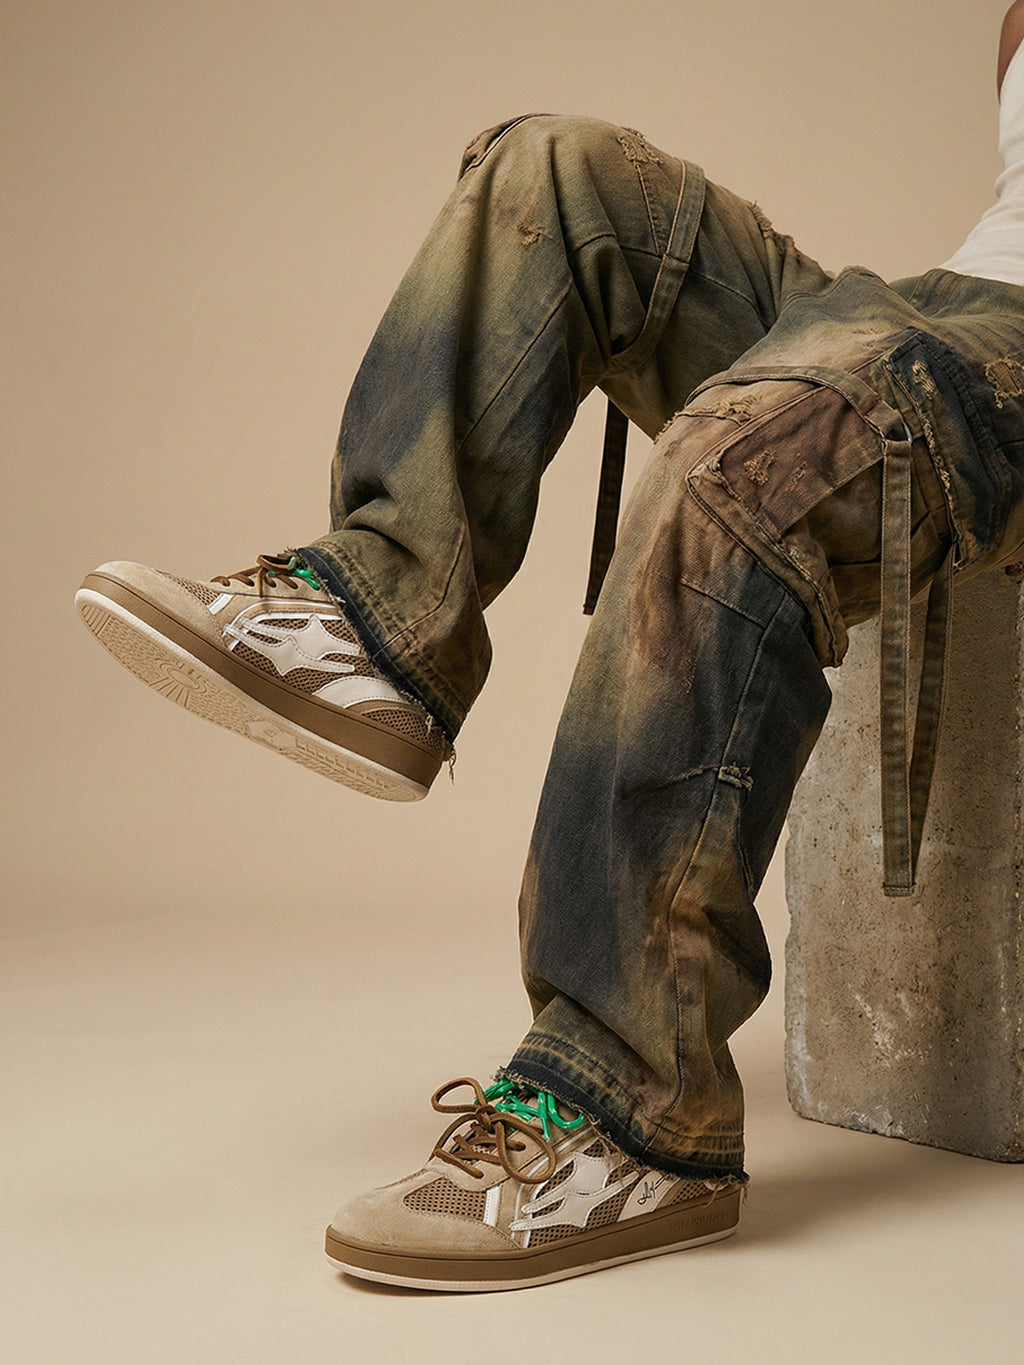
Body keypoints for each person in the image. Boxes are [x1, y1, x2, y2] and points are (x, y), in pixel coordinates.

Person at [75, 6, 1024, 1292]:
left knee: (757, 451)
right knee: (554, 174)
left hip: (992, 369)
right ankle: (380, 617)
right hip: (940, 312)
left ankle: (633, 1111)